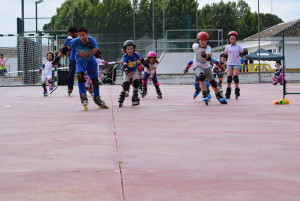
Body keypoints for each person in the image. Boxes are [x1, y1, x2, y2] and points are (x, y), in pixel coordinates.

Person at [52, 26, 108, 110]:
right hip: (80, 62)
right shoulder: (75, 41)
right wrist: (57, 59)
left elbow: (98, 54)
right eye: (80, 35)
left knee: (95, 81)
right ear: (78, 35)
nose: (82, 37)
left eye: (83, 35)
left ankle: (97, 98)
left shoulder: (92, 40)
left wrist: (90, 45)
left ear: (87, 34)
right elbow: (65, 50)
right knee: (80, 76)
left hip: (91, 62)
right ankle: (83, 96)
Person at [191, 31, 227, 105]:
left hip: (207, 67)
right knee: (201, 76)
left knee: (213, 82)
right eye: (202, 40)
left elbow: (208, 55)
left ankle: (218, 96)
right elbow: (198, 47)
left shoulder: (208, 47)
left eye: (205, 40)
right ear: (198, 40)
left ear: (207, 41)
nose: (204, 42)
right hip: (197, 66)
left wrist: (207, 57)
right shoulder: (195, 46)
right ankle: (204, 93)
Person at [118, 40, 150, 107]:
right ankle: (122, 96)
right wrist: (127, 72)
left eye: (131, 49)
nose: (130, 50)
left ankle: (135, 97)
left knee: (136, 83)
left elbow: (142, 60)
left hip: (135, 70)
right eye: (128, 49)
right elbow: (125, 65)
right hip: (127, 71)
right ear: (125, 50)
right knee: (126, 84)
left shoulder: (136, 55)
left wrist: (147, 65)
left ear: (134, 49)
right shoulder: (125, 56)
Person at [54, 27, 77, 96]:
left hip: (81, 59)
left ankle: (89, 87)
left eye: (70, 34)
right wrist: (58, 51)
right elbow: (64, 45)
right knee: (71, 73)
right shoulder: (69, 38)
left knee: (83, 74)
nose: (69, 35)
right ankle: (70, 88)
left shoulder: (80, 38)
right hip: (72, 59)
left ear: (74, 33)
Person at [224, 31, 244, 99]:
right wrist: (222, 60)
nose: (232, 40)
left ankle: (237, 92)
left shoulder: (239, 46)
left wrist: (244, 60)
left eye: (234, 39)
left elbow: (242, 53)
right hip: (229, 63)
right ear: (229, 39)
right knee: (229, 78)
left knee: (235, 78)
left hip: (236, 63)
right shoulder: (227, 46)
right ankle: (228, 93)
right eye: (231, 39)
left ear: (236, 39)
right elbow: (225, 54)